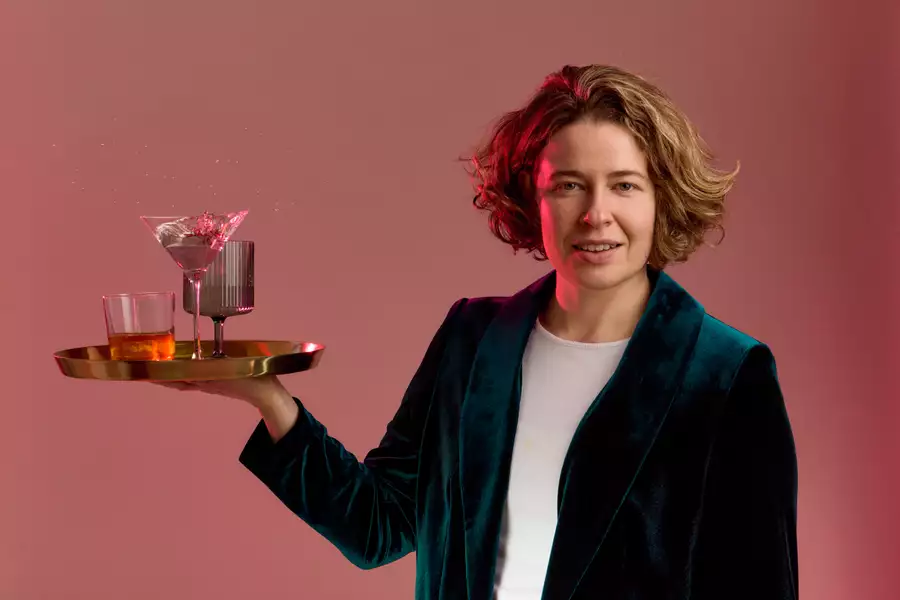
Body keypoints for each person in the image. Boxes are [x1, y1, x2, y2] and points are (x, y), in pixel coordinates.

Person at [163, 64, 799, 600]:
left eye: (625, 186)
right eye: (570, 185)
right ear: (533, 198)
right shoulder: (472, 339)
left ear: (661, 198)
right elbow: (378, 527)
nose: (596, 214)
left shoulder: (726, 372)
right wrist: (270, 400)